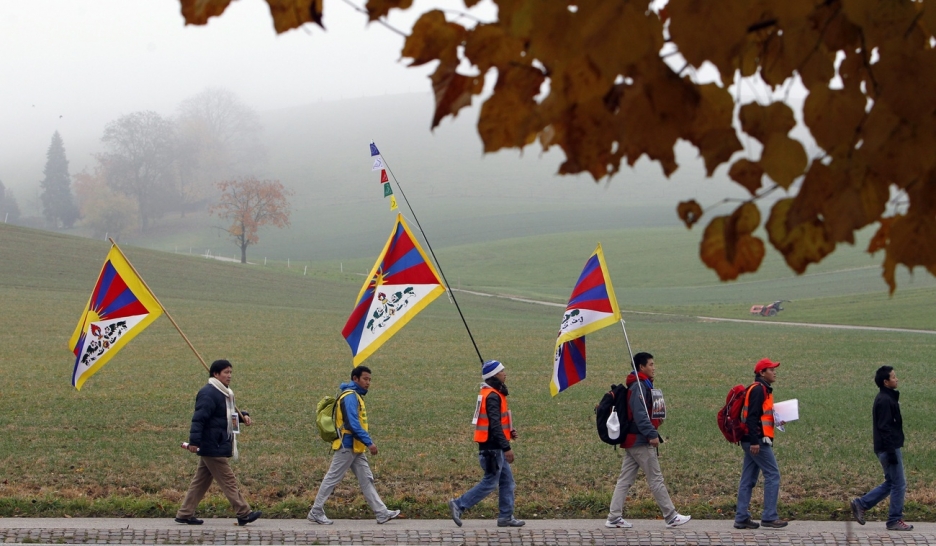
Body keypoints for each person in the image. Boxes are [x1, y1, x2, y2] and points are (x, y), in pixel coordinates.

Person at [605, 352, 691, 529]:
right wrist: (652, 434)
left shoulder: (641, 384)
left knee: (625, 480)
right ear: (641, 367)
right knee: (656, 478)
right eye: (651, 364)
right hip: (640, 441)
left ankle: (614, 517)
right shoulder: (638, 386)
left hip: (632, 440)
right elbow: (640, 414)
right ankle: (671, 516)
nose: (654, 367)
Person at [307, 365, 400, 525]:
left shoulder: (354, 395)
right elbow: (352, 423)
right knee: (332, 478)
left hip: (355, 447)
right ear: (355, 379)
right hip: (347, 446)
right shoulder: (350, 397)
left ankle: (381, 512)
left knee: (366, 479)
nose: (368, 383)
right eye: (365, 379)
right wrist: (369, 442)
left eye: (370, 379)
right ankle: (316, 511)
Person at [175, 359, 262, 526]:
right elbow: (198, 419)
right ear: (216, 374)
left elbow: (224, 416)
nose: (229, 376)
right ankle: (243, 513)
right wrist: (194, 442)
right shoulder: (208, 393)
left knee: (200, 481)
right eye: (226, 373)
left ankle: (185, 513)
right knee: (228, 479)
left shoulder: (224, 392)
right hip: (212, 444)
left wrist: (243, 416)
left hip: (216, 442)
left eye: (230, 372)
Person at [448, 360, 525, 528]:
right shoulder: (492, 396)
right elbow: (494, 425)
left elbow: (497, 424)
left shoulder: (488, 393)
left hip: (493, 446)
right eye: (502, 371)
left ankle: (506, 516)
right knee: (490, 482)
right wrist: (507, 447)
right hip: (493, 449)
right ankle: (459, 504)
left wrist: (509, 432)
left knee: (507, 482)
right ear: (495, 375)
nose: (505, 373)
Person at [850, 366, 913, 531]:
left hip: (886, 447)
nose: (896, 379)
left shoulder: (887, 398)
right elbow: (884, 427)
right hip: (888, 448)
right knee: (899, 484)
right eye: (893, 377)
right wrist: (891, 451)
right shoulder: (885, 400)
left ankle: (861, 504)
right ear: (886, 382)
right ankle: (894, 519)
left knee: (892, 482)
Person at [734, 358, 787, 529]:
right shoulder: (759, 390)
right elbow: (752, 417)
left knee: (748, 479)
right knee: (773, 474)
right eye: (771, 369)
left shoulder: (761, 389)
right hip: (756, 441)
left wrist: (777, 420)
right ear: (762, 373)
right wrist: (755, 442)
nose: (774, 372)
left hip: (751, 440)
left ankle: (741, 517)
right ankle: (769, 516)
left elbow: (761, 415)